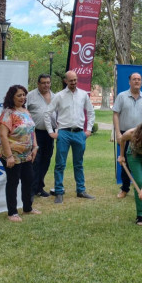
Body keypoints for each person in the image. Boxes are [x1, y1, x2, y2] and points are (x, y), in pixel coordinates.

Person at [44, 71, 95, 204]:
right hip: (64, 133)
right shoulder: (59, 96)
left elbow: (91, 112)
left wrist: (88, 130)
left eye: (75, 80)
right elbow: (47, 113)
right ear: (66, 81)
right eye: (71, 80)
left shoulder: (83, 95)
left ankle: (81, 190)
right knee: (60, 164)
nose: (73, 82)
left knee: (79, 163)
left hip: (79, 133)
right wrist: (51, 131)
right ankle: (59, 192)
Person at [0, 85, 40, 222]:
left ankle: (28, 208)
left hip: (26, 155)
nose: (23, 98)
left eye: (24, 95)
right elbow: (3, 136)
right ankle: (12, 212)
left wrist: (35, 146)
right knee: (13, 181)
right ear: (12, 97)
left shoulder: (26, 111)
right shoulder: (8, 113)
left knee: (28, 179)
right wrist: (9, 156)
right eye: (19, 95)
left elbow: (31, 130)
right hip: (12, 154)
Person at [113, 72, 142, 199]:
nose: (137, 81)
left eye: (139, 79)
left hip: (141, 136)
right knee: (125, 162)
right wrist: (118, 133)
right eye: (134, 79)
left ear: (141, 82)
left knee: (141, 163)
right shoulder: (121, 96)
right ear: (129, 82)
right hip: (126, 135)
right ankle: (125, 189)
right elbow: (115, 114)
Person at [27, 74, 57, 198]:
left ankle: (40, 187)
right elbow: (23, 110)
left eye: (48, 82)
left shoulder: (55, 96)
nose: (46, 85)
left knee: (46, 159)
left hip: (50, 133)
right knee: (36, 161)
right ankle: (32, 189)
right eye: (43, 83)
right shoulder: (30, 96)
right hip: (36, 133)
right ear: (38, 84)